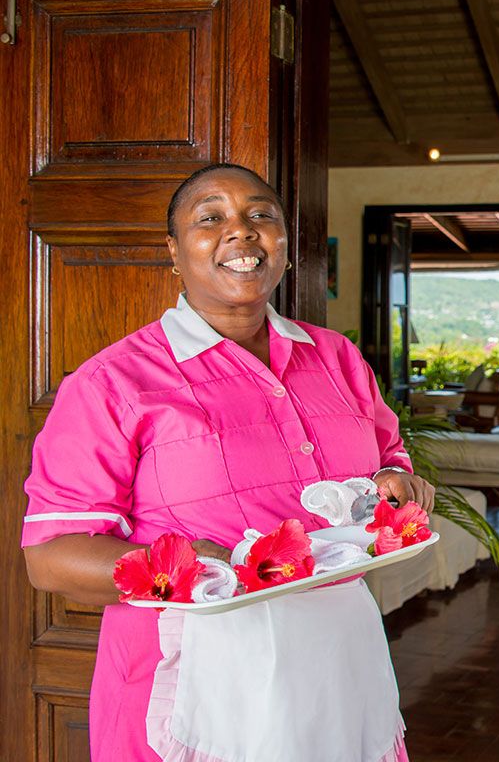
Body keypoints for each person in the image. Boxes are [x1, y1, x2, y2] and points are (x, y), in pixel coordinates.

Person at [22, 164, 436, 762]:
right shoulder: (113, 382)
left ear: (286, 245)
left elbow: (387, 454)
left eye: (261, 216)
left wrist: (394, 480)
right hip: (194, 671)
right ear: (173, 250)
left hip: (338, 659)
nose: (241, 233)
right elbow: (52, 559)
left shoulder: (338, 358)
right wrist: (193, 566)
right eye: (210, 218)